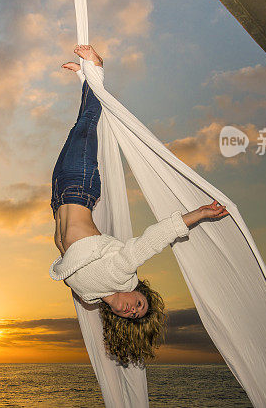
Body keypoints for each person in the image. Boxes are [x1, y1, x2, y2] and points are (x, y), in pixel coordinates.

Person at [50, 44, 230, 365]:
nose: (133, 309)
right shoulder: (123, 273)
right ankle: (96, 69)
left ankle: (85, 80)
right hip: (80, 189)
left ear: (120, 320)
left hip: (59, 197)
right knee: (86, 127)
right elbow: (155, 239)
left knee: (79, 130)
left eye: (132, 315)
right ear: (139, 293)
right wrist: (200, 213)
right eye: (140, 305)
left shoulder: (89, 298)